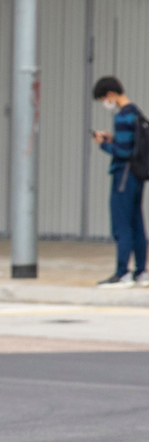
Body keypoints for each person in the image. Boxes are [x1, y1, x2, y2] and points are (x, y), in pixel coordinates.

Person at [92, 76, 149, 288]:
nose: (105, 103)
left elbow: (124, 152)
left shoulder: (122, 117)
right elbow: (131, 145)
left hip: (123, 175)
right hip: (137, 175)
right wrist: (112, 139)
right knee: (137, 223)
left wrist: (103, 145)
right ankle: (141, 271)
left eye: (103, 99)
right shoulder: (136, 112)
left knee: (121, 224)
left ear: (110, 95)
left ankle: (122, 272)